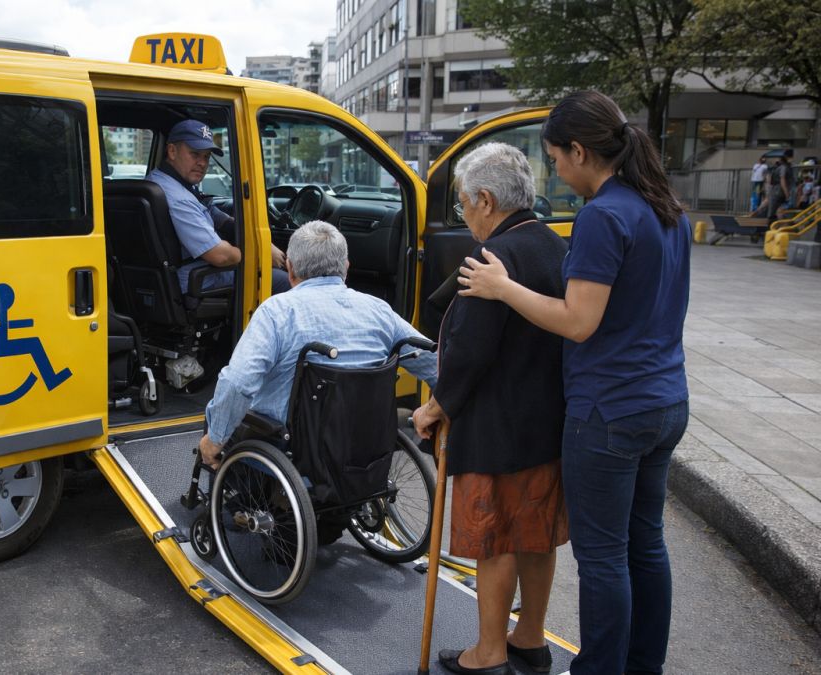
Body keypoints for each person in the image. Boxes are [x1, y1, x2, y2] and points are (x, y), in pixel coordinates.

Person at [458, 91, 690, 675]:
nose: (555, 171)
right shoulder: (667, 210)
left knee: (605, 557)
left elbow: (578, 322)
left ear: (581, 151)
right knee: (646, 546)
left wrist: (503, 288)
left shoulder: (603, 217)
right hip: (666, 399)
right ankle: (642, 666)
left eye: (557, 157)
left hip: (609, 410)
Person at [411, 143, 569, 675]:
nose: (463, 216)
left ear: (485, 199)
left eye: (462, 206)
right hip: (546, 419)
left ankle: (489, 653)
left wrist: (435, 407)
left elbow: (472, 351)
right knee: (537, 532)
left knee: (496, 537)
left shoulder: (491, 260)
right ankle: (529, 638)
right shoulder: (552, 245)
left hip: (497, 424)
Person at [198, 220, 437, 471]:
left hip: (295, 454)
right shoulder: (380, 311)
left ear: (289, 269)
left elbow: (237, 384)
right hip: (366, 449)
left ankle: (232, 502)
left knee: (218, 415)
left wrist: (214, 441)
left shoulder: (276, 312)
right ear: (345, 269)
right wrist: (432, 410)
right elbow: (435, 361)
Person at [145, 119, 291, 298]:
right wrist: (261, 253)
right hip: (199, 282)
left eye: (206, 156)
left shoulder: (160, 179)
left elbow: (211, 212)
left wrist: (238, 228)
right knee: (285, 281)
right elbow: (220, 256)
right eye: (195, 154)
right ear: (172, 151)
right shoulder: (179, 199)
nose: (202, 163)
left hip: (177, 277)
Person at [766, 149, 796, 226]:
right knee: (785, 211)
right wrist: (787, 193)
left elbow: (769, 180)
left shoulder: (776, 167)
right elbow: (783, 181)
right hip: (781, 193)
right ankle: (788, 227)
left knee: (772, 213)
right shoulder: (784, 167)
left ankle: (772, 228)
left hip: (774, 192)